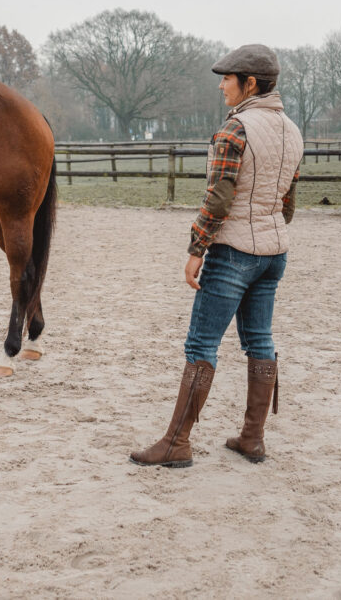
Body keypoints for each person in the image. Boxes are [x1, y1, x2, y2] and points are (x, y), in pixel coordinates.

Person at [130, 44, 303, 468]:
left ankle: (176, 442)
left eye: (227, 78)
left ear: (250, 83)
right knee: (259, 340)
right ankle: (252, 438)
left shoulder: (236, 129)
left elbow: (219, 198)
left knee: (201, 343)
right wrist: (266, 228)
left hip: (233, 252)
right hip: (274, 251)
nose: (222, 86)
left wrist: (197, 247)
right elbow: (289, 202)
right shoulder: (293, 131)